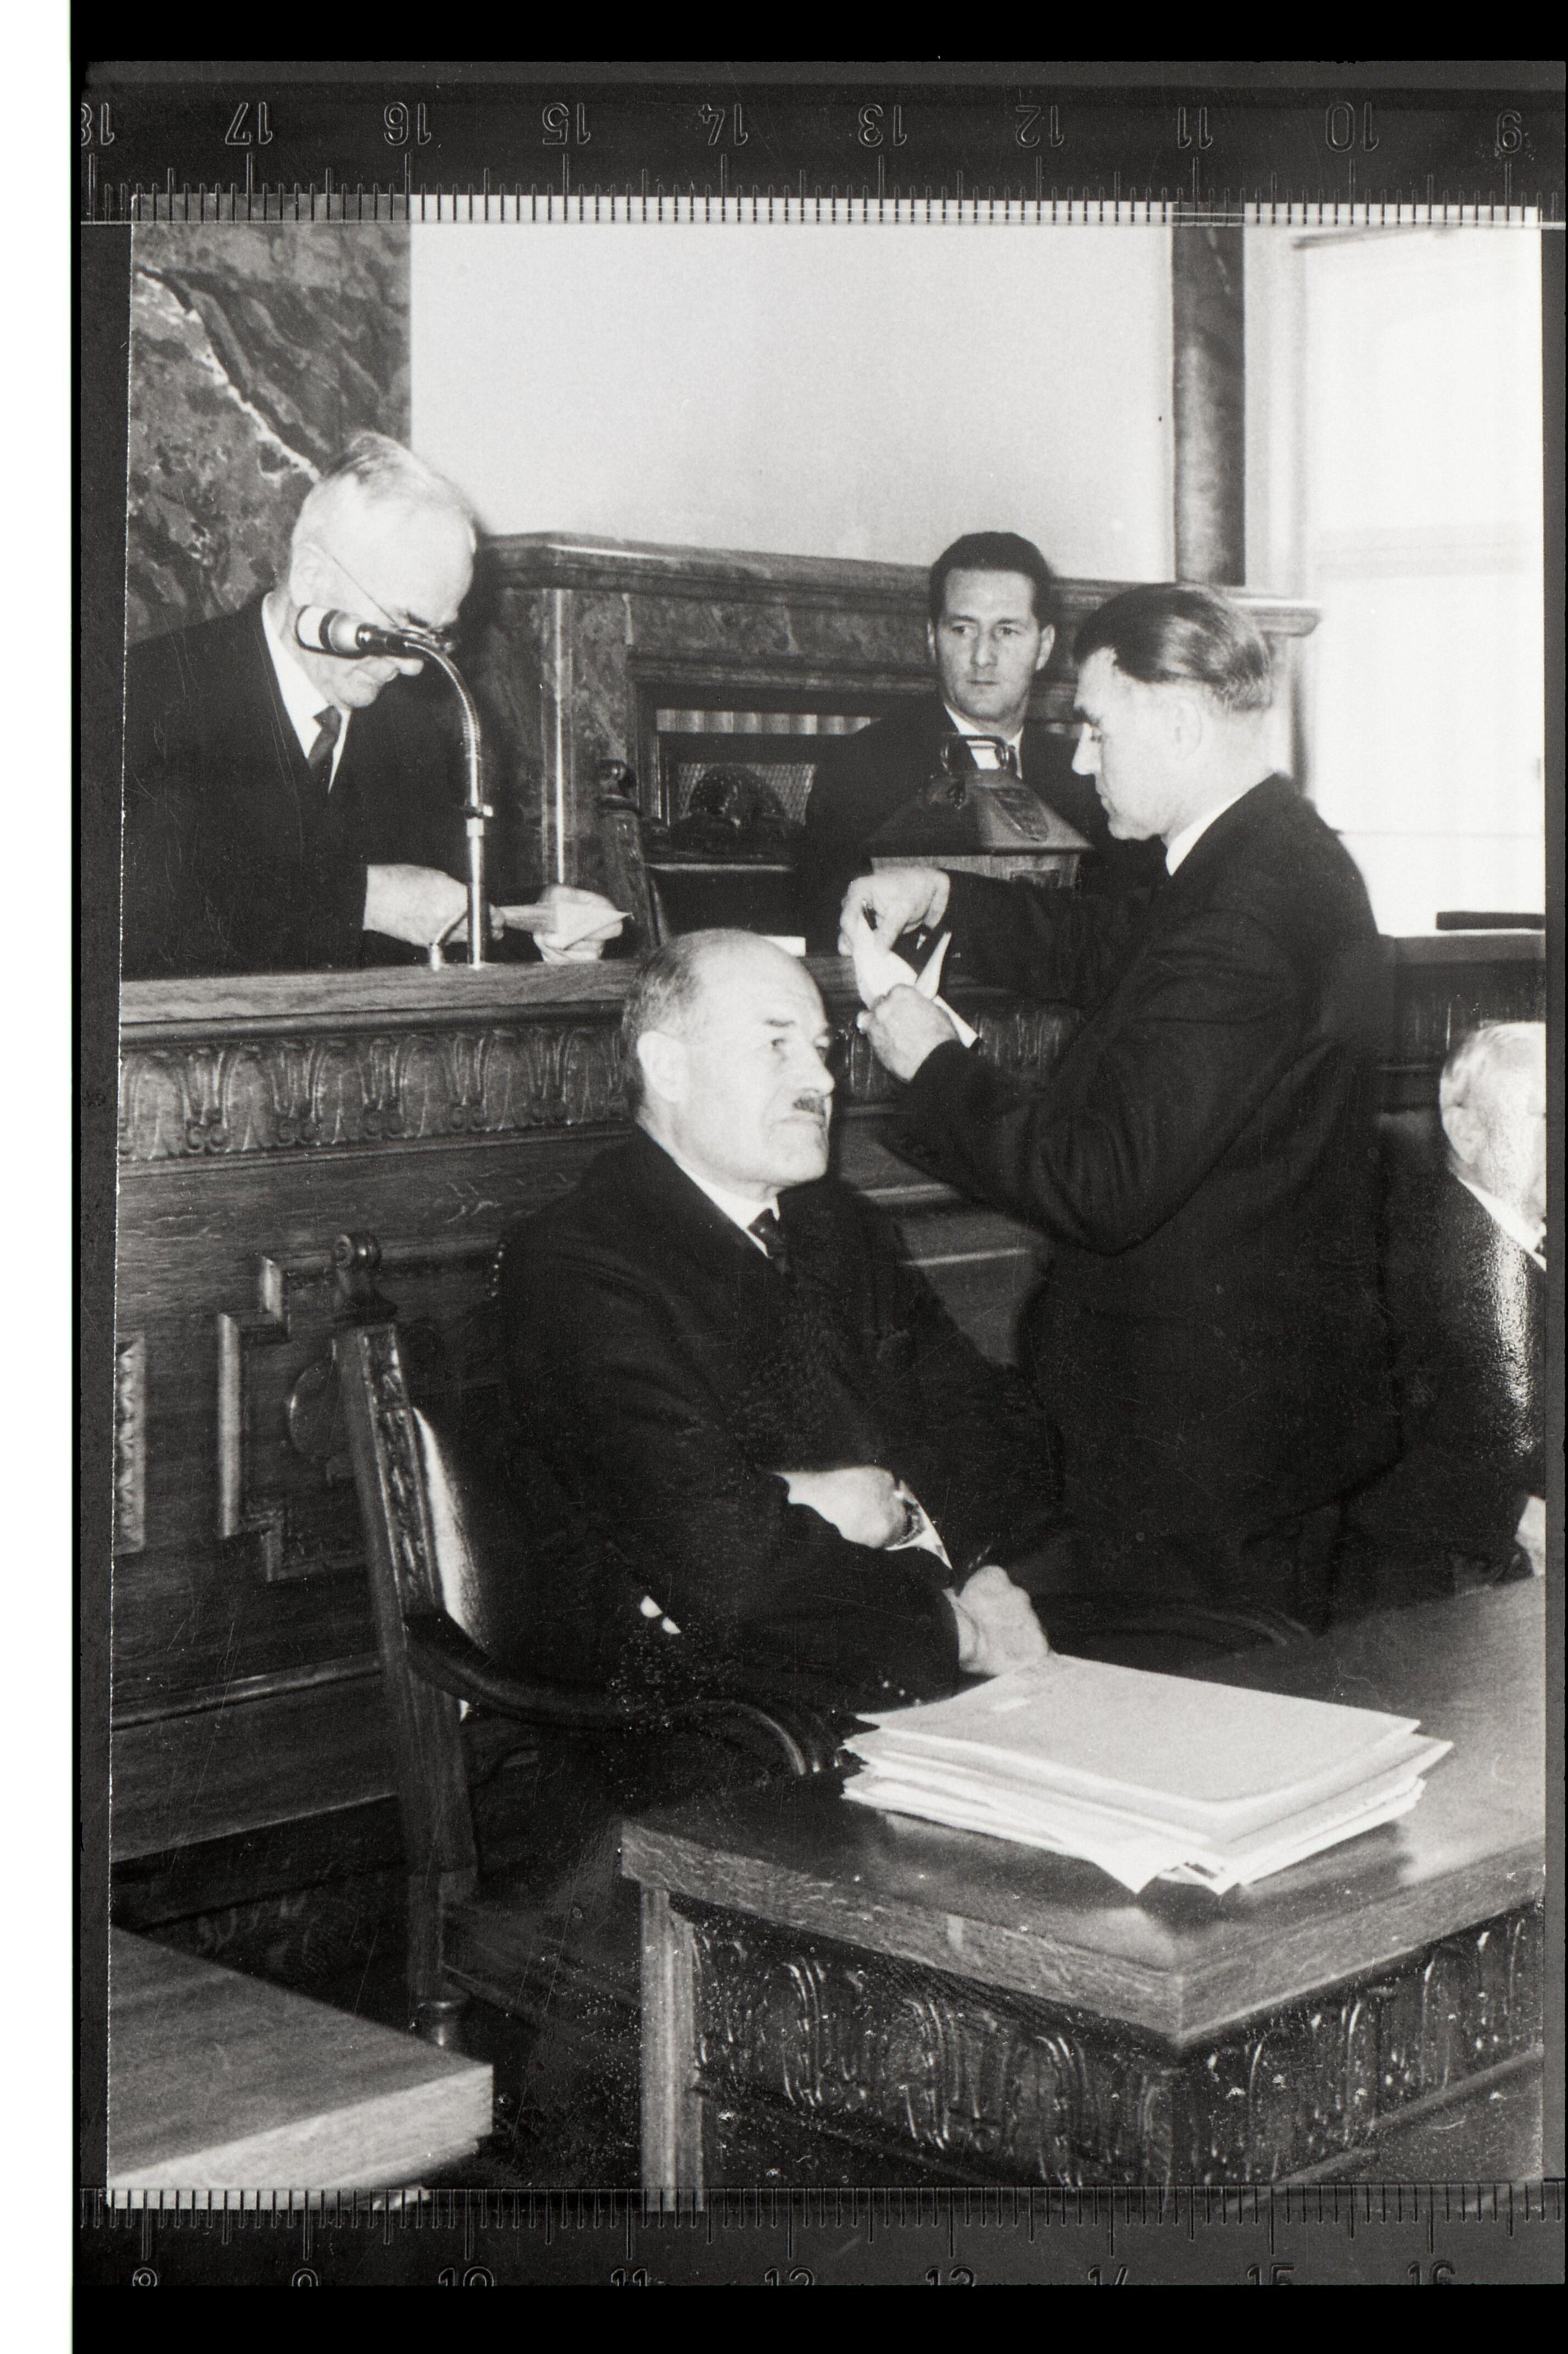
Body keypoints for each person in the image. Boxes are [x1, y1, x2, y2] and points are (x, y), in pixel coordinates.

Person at [844, 583, 1396, 1628]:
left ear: (1178, 723)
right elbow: (1115, 945)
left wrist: (934, 1063)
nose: (1083, 757)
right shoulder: (1261, 853)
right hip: (1239, 1424)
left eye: (1097, 727)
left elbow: (1098, 1183)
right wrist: (946, 893)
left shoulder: (1245, 908)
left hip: (1205, 1454)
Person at [499, 931, 1059, 1716]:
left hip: (895, 1671)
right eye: (777, 1044)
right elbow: (728, 1566)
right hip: (716, 1723)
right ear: (669, 1068)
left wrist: (894, 1520)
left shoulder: (838, 1224)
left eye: (822, 1049)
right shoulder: (576, 1264)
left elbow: (999, 1433)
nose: (822, 1079)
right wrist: (958, 1631)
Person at [121, 432, 623, 978]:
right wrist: (363, 901)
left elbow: (432, 908)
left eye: (434, 637)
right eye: (399, 628)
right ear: (312, 576)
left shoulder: (415, 732)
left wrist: (541, 922)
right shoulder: (151, 695)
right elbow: (136, 914)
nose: (412, 667)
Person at [795, 532, 1164, 952]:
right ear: (932, 639)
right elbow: (833, 942)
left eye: (1006, 631)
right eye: (962, 629)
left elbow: (1123, 935)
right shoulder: (863, 768)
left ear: (1044, 647)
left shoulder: (1088, 774)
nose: (982, 656)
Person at [1338, 1022, 1547, 1603]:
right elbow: (1378, 1456)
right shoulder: (1409, 1256)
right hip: (1463, 1588)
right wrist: (1518, 1517)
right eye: (1549, 1117)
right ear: (1468, 1131)